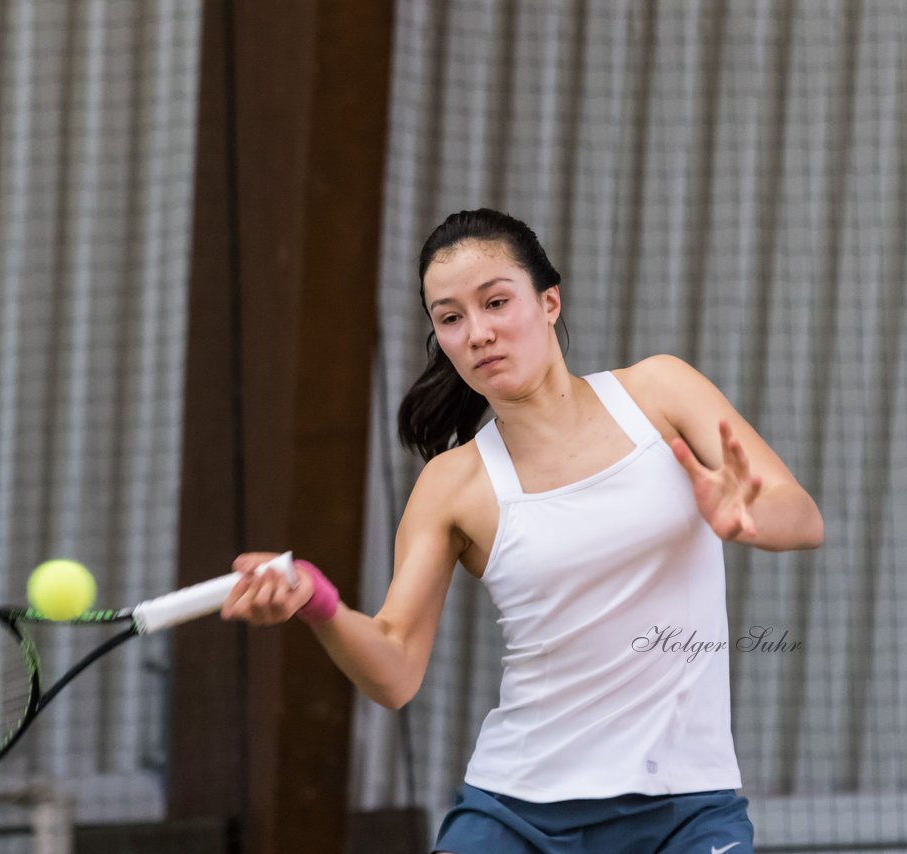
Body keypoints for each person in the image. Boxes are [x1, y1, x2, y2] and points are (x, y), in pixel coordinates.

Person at [221, 208, 824, 853]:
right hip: (516, 816)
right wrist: (320, 605)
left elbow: (802, 518)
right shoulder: (451, 486)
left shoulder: (660, 391)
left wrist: (750, 519)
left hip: (688, 811)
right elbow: (394, 672)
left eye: (496, 302)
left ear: (549, 302)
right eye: (450, 318)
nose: (477, 332)